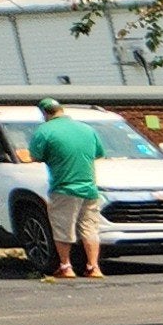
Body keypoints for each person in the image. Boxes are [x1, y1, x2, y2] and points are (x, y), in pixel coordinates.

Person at [29, 97, 106, 280]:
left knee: (63, 227)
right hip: (89, 187)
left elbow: (35, 156)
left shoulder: (44, 131)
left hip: (64, 187)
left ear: (45, 113)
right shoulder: (87, 129)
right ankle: (93, 267)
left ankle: (66, 266)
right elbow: (99, 153)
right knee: (90, 228)